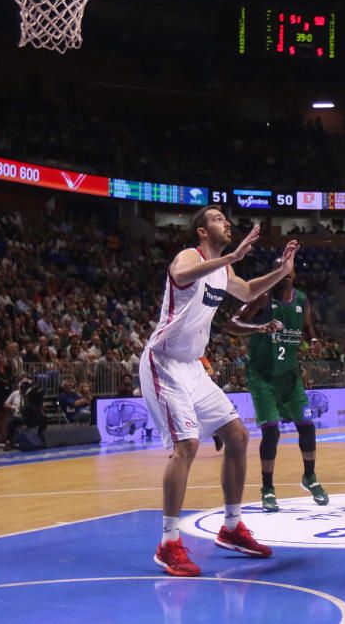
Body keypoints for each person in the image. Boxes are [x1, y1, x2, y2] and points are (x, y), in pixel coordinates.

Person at [141, 206, 300, 577]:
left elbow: (244, 289)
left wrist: (280, 272)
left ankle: (231, 528)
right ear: (200, 231)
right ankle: (168, 544)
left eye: (226, 220)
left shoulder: (223, 270)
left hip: (193, 367)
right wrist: (231, 256)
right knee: (187, 446)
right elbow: (179, 274)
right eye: (216, 219)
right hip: (163, 362)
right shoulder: (190, 256)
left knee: (238, 435)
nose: (225, 223)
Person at [225, 265, 330, 510]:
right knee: (271, 431)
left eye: (287, 270)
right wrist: (258, 328)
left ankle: (310, 477)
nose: (283, 273)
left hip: (290, 377)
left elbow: (307, 327)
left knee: (307, 427)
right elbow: (232, 323)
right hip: (262, 376)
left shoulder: (302, 300)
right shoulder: (262, 297)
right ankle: (268, 488)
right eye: (277, 269)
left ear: (294, 275)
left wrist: (313, 340)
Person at [0, 352, 14, 444]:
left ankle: (3, 434)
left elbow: (11, 378)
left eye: (1, 358)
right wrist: (7, 381)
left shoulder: (7, 368)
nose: (0, 360)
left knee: (4, 415)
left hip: (6, 393)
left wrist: (8, 381)